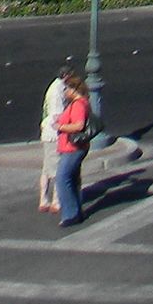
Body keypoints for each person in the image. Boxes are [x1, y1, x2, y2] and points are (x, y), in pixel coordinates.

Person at [51, 70, 94, 228]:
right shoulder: (82, 102)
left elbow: (79, 125)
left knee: (62, 179)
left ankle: (70, 214)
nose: (65, 92)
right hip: (76, 147)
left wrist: (60, 126)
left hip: (72, 148)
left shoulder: (77, 104)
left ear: (74, 89)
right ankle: (76, 211)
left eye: (67, 89)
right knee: (73, 179)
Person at [36, 64, 72, 213]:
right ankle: (56, 202)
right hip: (53, 135)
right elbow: (57, 117)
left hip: (47, 133)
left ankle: (43, 200)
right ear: (66, 76)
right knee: (57, 170)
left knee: (46, 169)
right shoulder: (57, 92)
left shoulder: (55, 87)